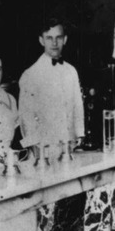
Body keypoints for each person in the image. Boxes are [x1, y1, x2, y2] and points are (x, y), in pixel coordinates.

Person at [18, 18, 84, 155]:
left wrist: (79, 135)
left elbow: (78, 105)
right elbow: (26, 116)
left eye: (58, 37)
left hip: (69, 147)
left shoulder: (71, 71)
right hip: (44, 150)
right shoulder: (31, 74)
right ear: (41, 41)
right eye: (49, 38)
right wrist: (36, 149)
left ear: (65, 39)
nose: (54, 43)